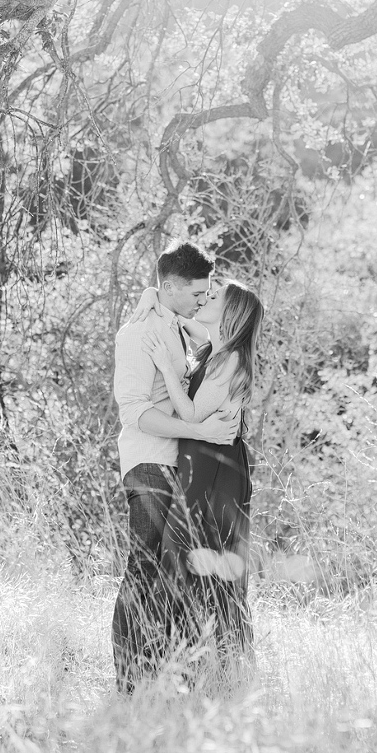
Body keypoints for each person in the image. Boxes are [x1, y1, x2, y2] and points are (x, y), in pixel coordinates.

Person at [111, 241, 239, 694]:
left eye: (207, 294)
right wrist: (203, 434)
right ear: (168, 287)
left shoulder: (179, 327)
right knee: (143, 568)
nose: (202, 300)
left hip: (177, 466)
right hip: (149, 463)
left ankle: (162, 675)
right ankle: (128, 683)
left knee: (170, 574)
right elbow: (134, 412)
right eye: (195, 294)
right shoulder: (137, 334)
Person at [137, 278, 264, 688]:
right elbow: (174, 307)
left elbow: (190, 414)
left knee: (204, 561)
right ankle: (196, 670)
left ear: (231, 314)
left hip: (217, 468)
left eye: (215, 297)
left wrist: (162, 366)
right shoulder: (213, 348)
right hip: (204, 461)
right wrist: (149, 295)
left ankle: (223, 671)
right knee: (190, 562)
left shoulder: (228, 360)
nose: (206, 298)